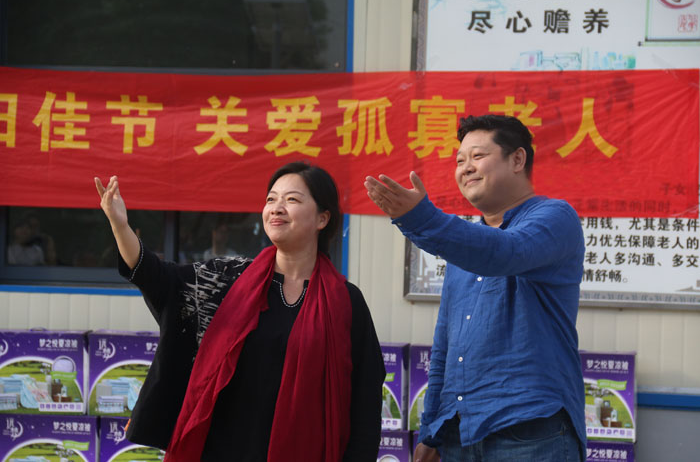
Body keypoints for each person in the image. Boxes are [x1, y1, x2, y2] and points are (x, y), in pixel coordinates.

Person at [95, 161, 385, 462]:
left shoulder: (345, 302)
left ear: (322, 218)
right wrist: (120, 226)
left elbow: (365, 401)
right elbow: (157, 278)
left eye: (292, 200)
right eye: (271, 199)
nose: (277, 208)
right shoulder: (227, 280)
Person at [365, 115, 586, 462]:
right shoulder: (464, 246)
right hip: (458, 433)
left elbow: (505, 253)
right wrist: (431, 429)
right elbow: (445, 347)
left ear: (517, 159)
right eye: (459, 160)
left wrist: (421, 218)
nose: (466, 168)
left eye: (478, 156)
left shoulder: (556, 217)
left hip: (530, 431)